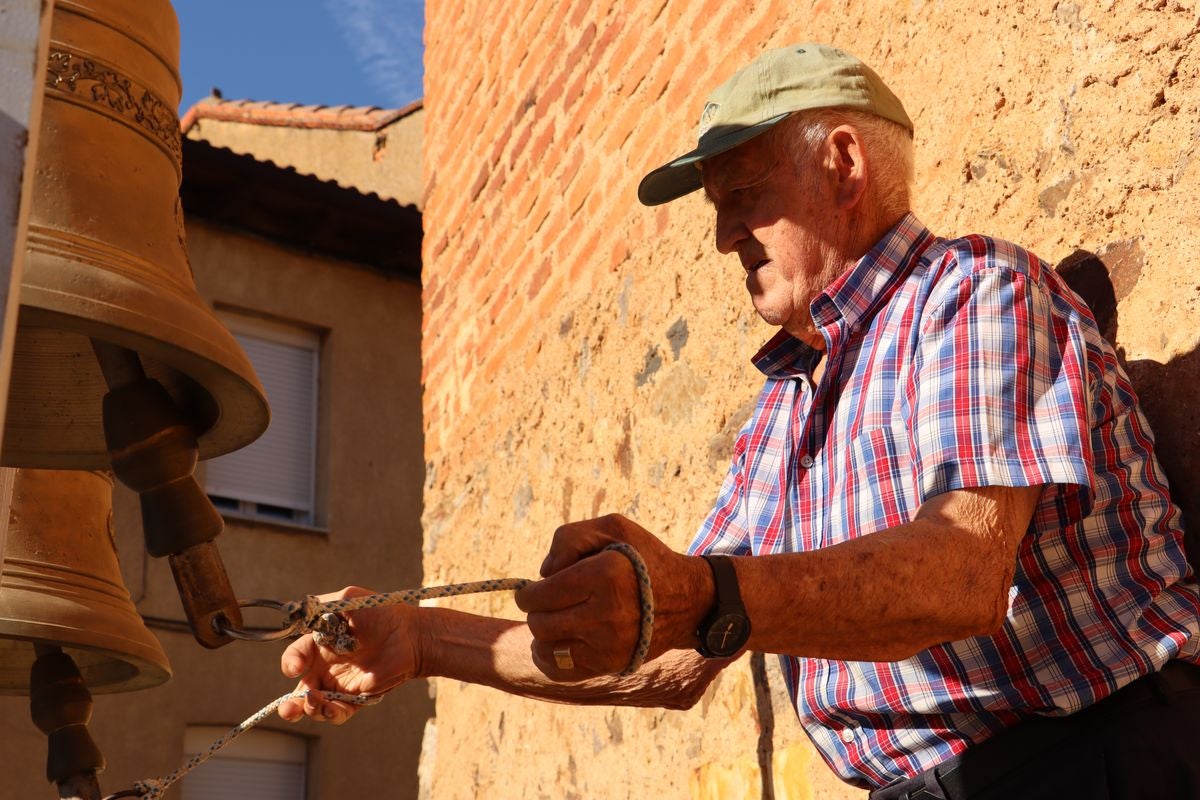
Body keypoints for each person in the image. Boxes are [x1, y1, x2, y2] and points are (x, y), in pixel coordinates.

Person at [278, 44, 1200, 799]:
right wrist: (424, 643)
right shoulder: (783, 412)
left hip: (1095, 760)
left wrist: (701, 593)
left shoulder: (974, 296)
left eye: (743, 195)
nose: (724, 236)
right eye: (719, 209)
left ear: (843, 165)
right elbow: (673, 657)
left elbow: (959, 573)